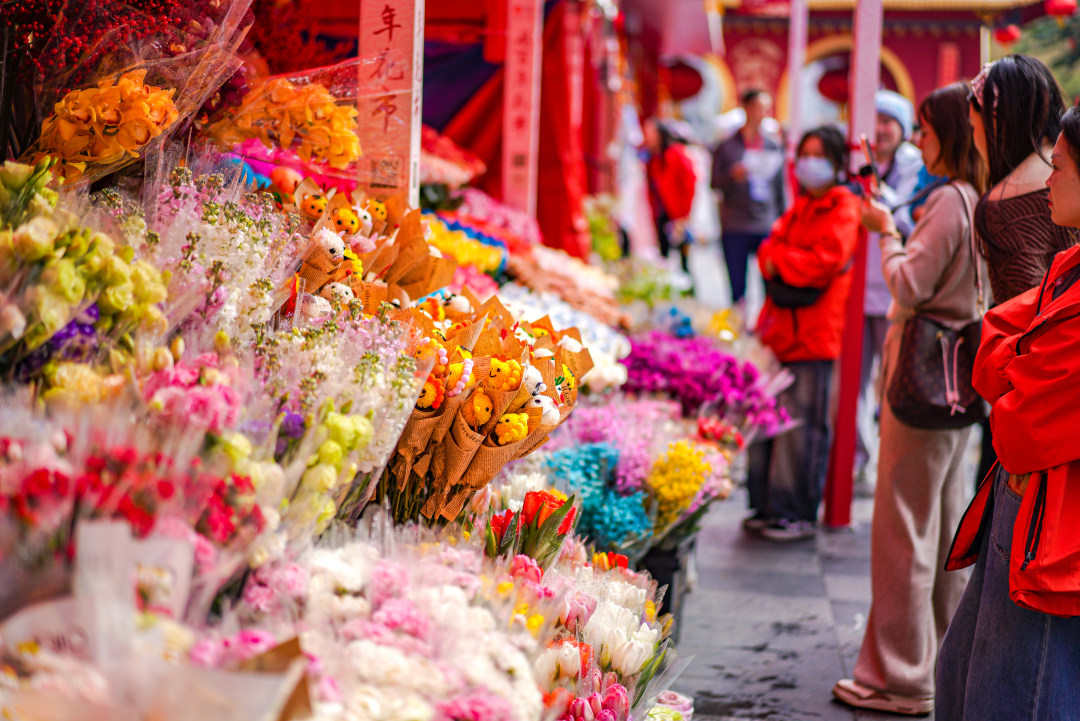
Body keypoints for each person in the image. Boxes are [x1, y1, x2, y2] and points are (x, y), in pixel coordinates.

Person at [832, 83, 987, 716]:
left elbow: (909, 281)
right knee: (944, 529)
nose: (918, 141)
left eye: (925, 130)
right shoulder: (975, 198)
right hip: (956, 380)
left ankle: (897, 678)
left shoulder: (949, 200)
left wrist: (884, 232)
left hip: (921, 377)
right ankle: (937, 665)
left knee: (904, 533)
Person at [935, 105, 1080, 721]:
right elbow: (995, 336)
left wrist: (1011, 369)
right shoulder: (1069, 263)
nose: (1049, 180)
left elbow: (1019, 427)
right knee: (968, 676)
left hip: (1055, 528)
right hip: (1030, 507)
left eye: (1063, 167)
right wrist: (1018, 366)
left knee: (1019, 692)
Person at [965, 56, 1077, 493]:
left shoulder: (1003, 201)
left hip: (1038, 405)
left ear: (995, 119)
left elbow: (1025, 320)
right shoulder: (1061, 173)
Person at [745, 126, 861, 542]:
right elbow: (766, 249)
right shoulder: (801, 206)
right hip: (779, 330)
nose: (810, 161)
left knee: (801, 428)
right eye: (805, 153)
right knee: (769, 422)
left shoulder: (843, 206)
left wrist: (782, 261)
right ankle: (766, 505)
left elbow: (823, 263)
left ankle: (795, 513)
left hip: (815, 334)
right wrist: (783, 260)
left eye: (819, 153)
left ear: (835, 162)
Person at [855, 90, 925, 483]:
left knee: (892, 381)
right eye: (875, 120)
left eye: (888, 121)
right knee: (854, 387)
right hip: (855, 291)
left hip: (895, 287)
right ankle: (858, 460)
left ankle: (890, 464)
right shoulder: (857, 164)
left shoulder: (916, 168)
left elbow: (918, 226)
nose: (880, 130)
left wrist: (886, 202)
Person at [711, 90, 787, 304]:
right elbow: (714, 184)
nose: (761, 113)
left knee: (770, 285)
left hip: (765, 222)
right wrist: (732, 176)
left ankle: (766, 329)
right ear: (746, 108)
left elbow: (780, 188)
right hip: (736, 223)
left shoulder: (773, 145)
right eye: (757, 107)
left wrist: (782, 222)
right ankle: (739, 328)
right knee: (737, 288)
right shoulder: (727, 147)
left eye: (765, 108)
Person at [643, 118, 696, 274]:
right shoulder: (653, 158)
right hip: (661, 210)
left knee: (683, 253)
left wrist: (685, 214)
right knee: (663, 251)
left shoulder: (676, 153)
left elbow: (689, 183)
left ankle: (687, 286)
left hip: (677, 211)